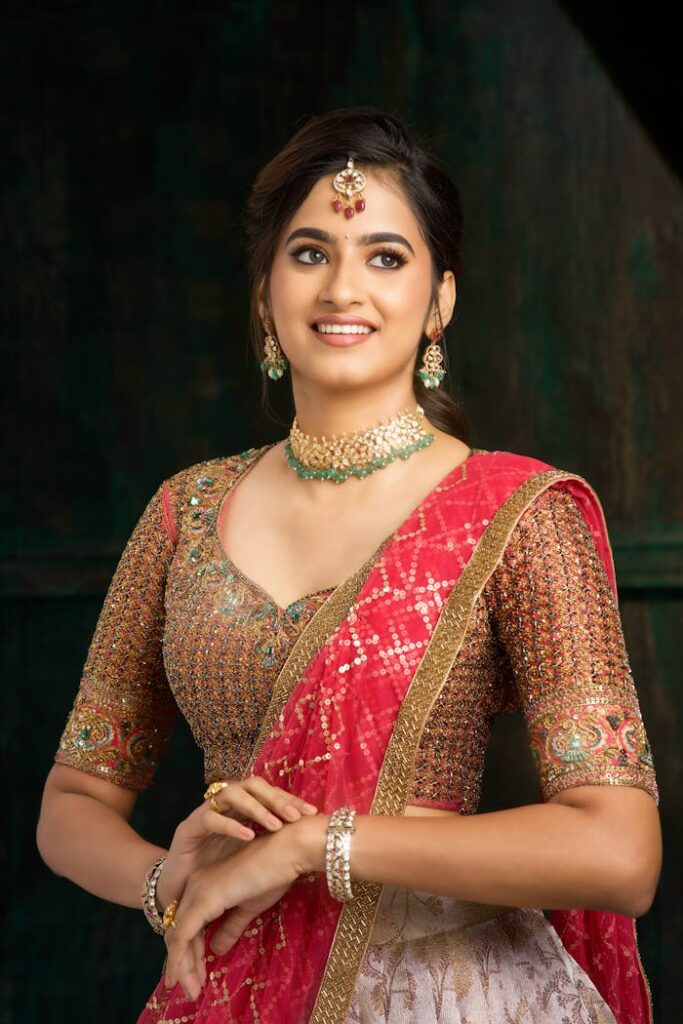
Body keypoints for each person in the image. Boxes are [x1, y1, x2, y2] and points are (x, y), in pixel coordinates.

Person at [36, 107, 661, 1024]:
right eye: (307, 252)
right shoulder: (185, 513)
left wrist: (312, 847)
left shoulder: (516, 515)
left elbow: (619, 854)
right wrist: (165, 881)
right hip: (233, 984)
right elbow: (72, 802)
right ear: (263, 292)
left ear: (440, 299)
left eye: (384, 256)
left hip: (449, 993)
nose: (341, 289)